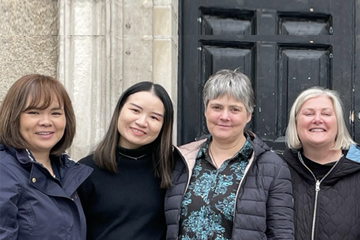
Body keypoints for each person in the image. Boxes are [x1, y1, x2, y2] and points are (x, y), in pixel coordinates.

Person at [165, 69, 294, 239]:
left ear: (248, 115)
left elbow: (281, 234)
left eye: (234, 109)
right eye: (217, 107)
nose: (224, 116)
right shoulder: (182, 160)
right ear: (205, 110)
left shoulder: (272, 168)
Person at [77, 81, 174, 240]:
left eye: (154, 117)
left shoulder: (174, 170)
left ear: (164, 125)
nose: (142, 122)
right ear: (119, 110)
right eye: (135, 110)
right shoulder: (85, 170)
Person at [0, 74, 93, 239]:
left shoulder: (66, 172)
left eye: (56, 113)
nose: (46, 121)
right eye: (34, 112)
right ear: (14, 117)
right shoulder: (4, 172)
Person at [283, 86, 360, 240]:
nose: (317, 119)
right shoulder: (279, 171)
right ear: (296, 122)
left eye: (326, 113)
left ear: (338, 123)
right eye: (308, 113)